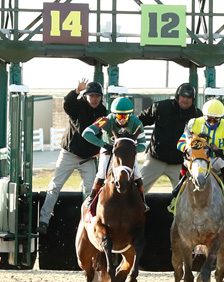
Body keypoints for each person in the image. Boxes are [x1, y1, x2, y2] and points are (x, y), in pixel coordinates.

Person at [39, 79, 108, 235]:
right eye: (92, 95)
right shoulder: (77, 105)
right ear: (86, 96)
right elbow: (67, 103)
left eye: (98, 96)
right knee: (55, 186)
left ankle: (89, 224)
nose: (95, 99)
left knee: (92, 190)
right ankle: (43, 221)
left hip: (89, 158)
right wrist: (76, 90)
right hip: (69, 154)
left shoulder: (104, 112)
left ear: (101, 97)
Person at [175, 98, 224, 214]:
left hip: (214, 158)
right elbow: (180, 144)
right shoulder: (194, 123)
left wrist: (222, 152)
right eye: (209, 119)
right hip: (196, 157)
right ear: (204, 116)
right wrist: (191, 150)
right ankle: (179, 189)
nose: (212, 122)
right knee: (185, 163)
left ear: (221, 118)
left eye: (216, 120)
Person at [80, 95, 147, 216]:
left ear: (130, 115)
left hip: (126, 154)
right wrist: (104, 145)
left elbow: (143, 145)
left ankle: (143, 201)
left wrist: (129, 149)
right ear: (114, 114)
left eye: (125, 116)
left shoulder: (137, 123)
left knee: (137, 174)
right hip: (108, 151)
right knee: (101, 173)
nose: (122, 119)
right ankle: (92, 197)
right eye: (119, 115)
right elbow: (87, 133)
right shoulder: (105, 120)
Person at [139, 82, 202, 194]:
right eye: (183, 96)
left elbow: (202, 138)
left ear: (193, 99)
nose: (185, 100)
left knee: (186, 196)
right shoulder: (161, 107)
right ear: (177, 96)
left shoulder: (197, 115)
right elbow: (140, 121)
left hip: (180, 163)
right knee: (137, 190)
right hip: (155, 159)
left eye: (189, 97)